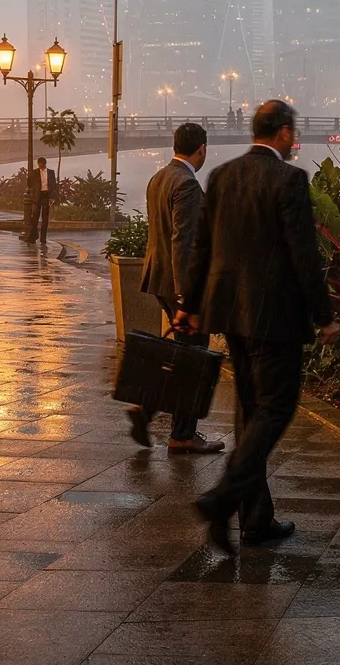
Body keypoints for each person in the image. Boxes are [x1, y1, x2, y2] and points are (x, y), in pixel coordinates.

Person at [190, 100, 337, 554]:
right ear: (283, 133)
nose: (294, 141)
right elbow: (303, 255)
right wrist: (324, 315)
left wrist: (190, 306)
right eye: (292, 133)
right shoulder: (289, 180)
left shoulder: (222, 175)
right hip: (275, 315)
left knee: (251, 410)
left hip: (231, 312)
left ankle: (255, 520)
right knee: (277, 406)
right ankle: (223, 498)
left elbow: (202, 246)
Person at [133, 122, 223, 453]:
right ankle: (182, 434)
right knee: (193, 359)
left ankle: (146, 408)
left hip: (158, 278)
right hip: (179, 285)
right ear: (202, 149)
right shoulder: (187, 185)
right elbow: (182, 243)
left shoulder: (159, 178)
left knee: (182, 353)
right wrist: (187, 297)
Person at [24, 157, 55, 244]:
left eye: (42, 165)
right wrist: (31, 193)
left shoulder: (51, 172)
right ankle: (32, 237)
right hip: (36, 197)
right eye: (39, 164)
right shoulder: (33, 173)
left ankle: (43, 239)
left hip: (46, 196)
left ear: (45, 164)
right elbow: (29, 185)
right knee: (35, 218)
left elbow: (53, 185)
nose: (41, 166)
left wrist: (53, 198)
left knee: (45, 219)